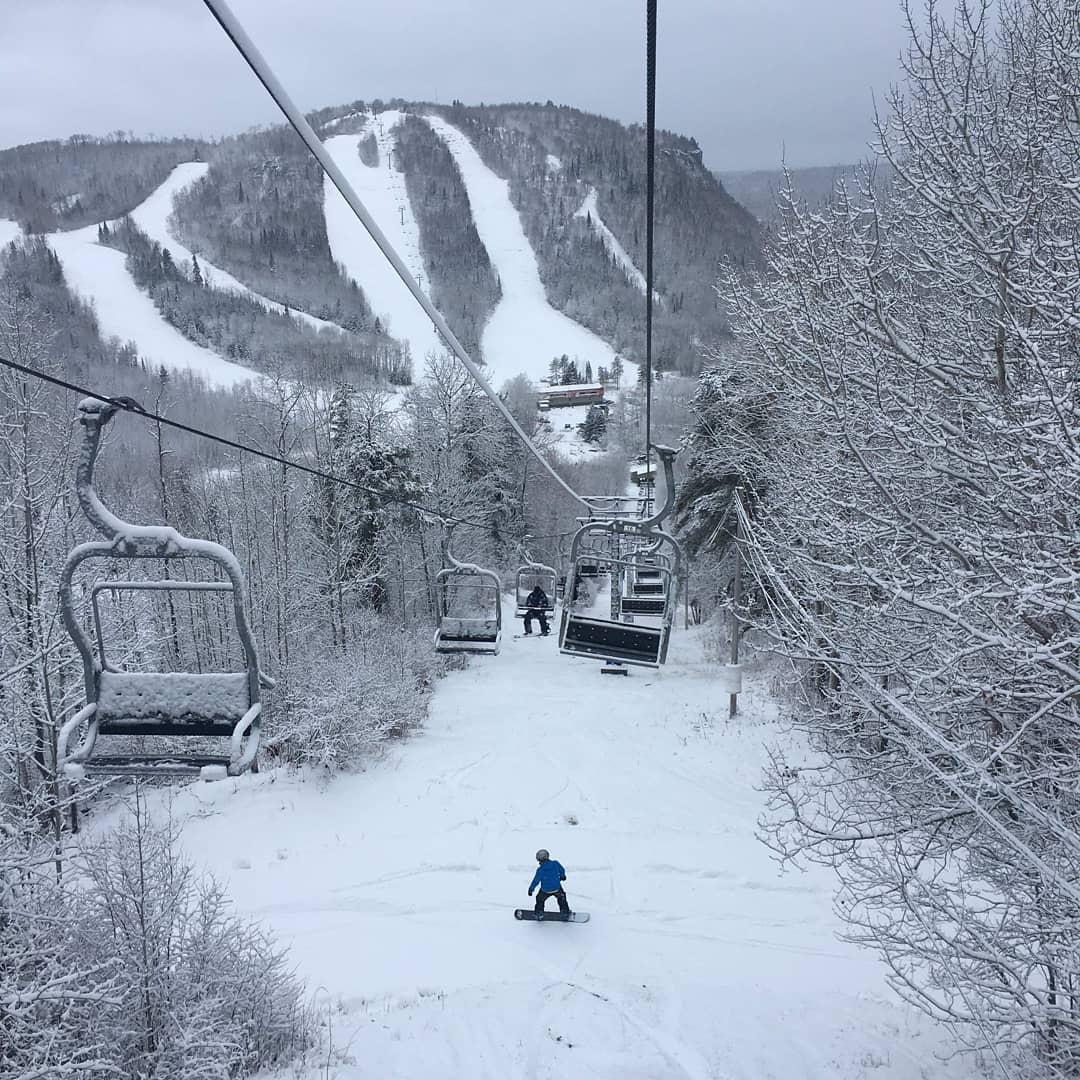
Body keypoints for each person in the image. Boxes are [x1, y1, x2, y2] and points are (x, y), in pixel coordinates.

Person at [528, 848, 570, 919]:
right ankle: (565, 912)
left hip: (545, 890)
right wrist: (562, 876)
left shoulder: (540, 870)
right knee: (562, 898)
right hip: (557, 888)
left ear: (538, 860)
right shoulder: (555, 863)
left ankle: (539, 913)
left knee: (539, 899)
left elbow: (535, 881)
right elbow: (562, 869)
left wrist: (530, 890)